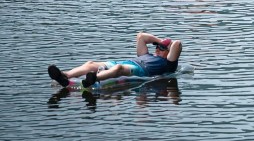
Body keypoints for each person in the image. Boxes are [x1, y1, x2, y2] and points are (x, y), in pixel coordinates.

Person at [47, 32, 182, 89]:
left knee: (118, 69)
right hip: (126, 61)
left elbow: (177, 44)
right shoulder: (146, 54)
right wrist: (160, 41)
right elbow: (141, 36)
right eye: (157, 47)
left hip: (140, 70)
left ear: (169, 53)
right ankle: (65, 75)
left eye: (161, 48)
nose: (158, 49)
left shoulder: (168, 64)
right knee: (90, 64)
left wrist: (168, 45)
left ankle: (93, 78)